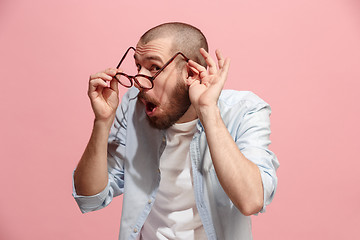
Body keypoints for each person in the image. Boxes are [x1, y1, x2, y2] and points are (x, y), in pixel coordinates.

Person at [72, 22, 279, 240]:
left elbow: (252, 201)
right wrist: (102, 121)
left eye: (154, 68)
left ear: (190, 73)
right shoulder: (132, 107)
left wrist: (208, 111)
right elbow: (90, 197)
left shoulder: (244, 110)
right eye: (138, 67)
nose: (140, 82)